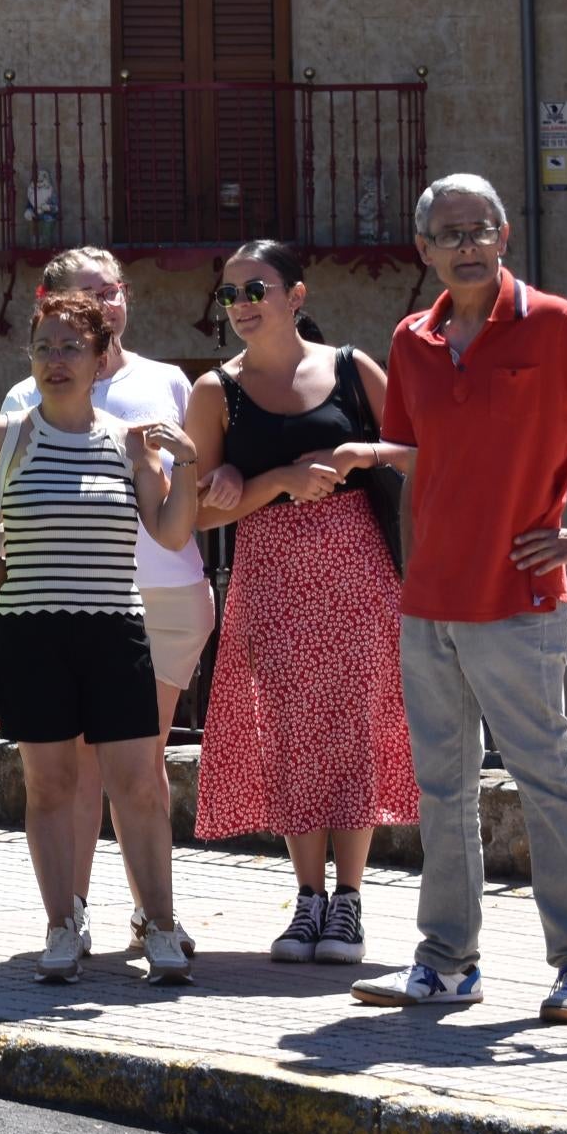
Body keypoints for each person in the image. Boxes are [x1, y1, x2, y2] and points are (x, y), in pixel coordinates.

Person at [353, 175, 567, 1025]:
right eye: (449, 231)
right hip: (429, 606)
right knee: (442, 792)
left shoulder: (555, 324)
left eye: (481, 227)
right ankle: (446, 964)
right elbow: (424, 463)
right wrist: (362, 462)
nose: (468, 242)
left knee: (546, 783)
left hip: (522, 602)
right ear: (424, 249)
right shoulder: (412, 340)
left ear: (504, 235)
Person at [0, 291, 202, 983]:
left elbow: (169, 531)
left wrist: (185, 463)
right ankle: (62, 924)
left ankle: (158, 925)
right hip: (31, 633)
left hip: (115, 632)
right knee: (49, 786)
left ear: (102, 357)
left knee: (138, 786)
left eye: (71, 347)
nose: (55, 360)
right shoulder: (7, 434)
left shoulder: (126, 441)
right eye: (43, 347)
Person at [186, 241, 415, 965]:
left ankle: (348, 901)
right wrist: (277, 477)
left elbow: (418, 449)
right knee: (287, 730)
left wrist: (362, 457)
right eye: (230, 295)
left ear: (297, 294)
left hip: (356, 567)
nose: (242, 305)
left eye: (256, 288)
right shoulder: (215, 391)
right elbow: (200, 513)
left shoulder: (352, 368)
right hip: (273, 570)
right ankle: (307, 897)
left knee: (353, 724)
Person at [0, 246, 216, 951]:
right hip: (55, 607)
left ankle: (154, 918)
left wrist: (196, 469)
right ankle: (73, 914)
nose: (108, 302)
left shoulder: (164, 382)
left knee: (138, 767)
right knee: (73, 772)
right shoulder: (22, 404)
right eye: (88, 293)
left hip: (155, 599)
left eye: (113, 290)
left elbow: (189, 494)